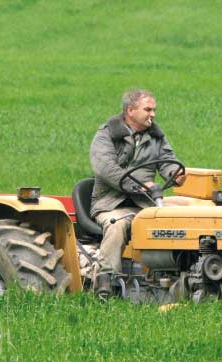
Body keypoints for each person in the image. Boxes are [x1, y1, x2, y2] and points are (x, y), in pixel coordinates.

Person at [89, 89, 186, 298]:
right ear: (131, 110)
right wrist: (138, 185)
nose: (153, 114)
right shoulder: (106, 134)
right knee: (118, 225)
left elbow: (167, 159)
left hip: (145, 203)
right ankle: (105, 282)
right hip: (110, 203)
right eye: (148, 109)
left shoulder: (156, 136)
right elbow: (106, 169)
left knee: (180, 217)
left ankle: (177, 276)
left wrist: (174, 174)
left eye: (154, 110)